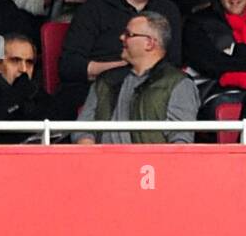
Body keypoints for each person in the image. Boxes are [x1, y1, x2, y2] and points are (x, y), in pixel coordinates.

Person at [56, 0, 182, 116]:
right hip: (100, 89)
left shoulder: (168, 10)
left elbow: (174, 62)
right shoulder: (94, 9)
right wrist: (123, 68)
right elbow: (70, 66)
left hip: (154, 91)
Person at [71, 12, 197, 145]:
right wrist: (90, 154)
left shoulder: (179, 83)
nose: (121, 37)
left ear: (149, 43)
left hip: (151, 164)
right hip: (104, 162)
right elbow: (83, 129)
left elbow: (181, 141)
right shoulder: (105, 81)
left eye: (129, 34)